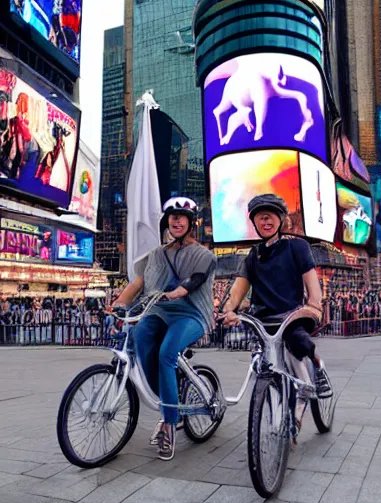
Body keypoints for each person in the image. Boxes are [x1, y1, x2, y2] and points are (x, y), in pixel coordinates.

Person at [112, 197, 216, 461]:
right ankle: (167, 397)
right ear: (166, 221)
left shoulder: (204, 254)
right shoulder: (157, 254)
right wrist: (120, 302)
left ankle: (168, 423)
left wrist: (180, 291)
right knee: (140, 336)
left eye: (182, 217)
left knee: (167, 353)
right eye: (172, 217)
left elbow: (197, 278)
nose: (177, 221)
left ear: (192, 223)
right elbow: (139, 282)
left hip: (191, 314)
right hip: (159, 311)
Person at [221, 193, 333, 411]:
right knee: (261, 362)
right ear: (254, 223)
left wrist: (313, 305)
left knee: (297, 340)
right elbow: (237, 290)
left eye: (271, 216)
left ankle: (318, 366)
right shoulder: (253, 256)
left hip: (293, 315)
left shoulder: (298, 247)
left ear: (281, 219)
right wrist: (227, 310)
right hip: (263, 320)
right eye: (261, 217)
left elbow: (311, 282)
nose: (266, 221)